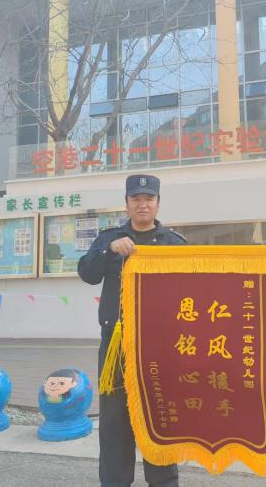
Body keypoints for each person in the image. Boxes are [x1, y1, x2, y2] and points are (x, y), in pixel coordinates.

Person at [78, 174, 186, 487]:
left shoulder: (175, 243)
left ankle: (164, 482)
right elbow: (87, 273)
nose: (142, 204)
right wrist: (109, 250)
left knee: (160, 420)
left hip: (161, 350)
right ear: (126, 203)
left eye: (149, 199)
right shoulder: (109, 239)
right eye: (136, 199)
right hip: (116, 348)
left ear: (158, 203)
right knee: (114, 423)